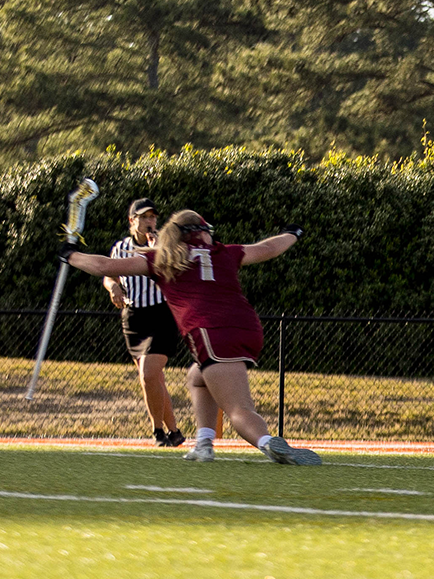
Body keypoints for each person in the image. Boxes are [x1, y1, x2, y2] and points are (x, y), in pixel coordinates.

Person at [66, 211, 320, 465]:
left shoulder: (163, 260)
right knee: (197, 377)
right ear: (198, 232)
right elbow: (268, 248)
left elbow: (104, 267)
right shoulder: (225, 252)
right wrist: (292, 233)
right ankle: (204, 444)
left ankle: (268, 443)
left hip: (212, 332)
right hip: (247, 328)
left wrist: (70, 254)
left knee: (238, 409)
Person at [103, 198, 185, 447]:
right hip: (134, 317)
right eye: (144, 217)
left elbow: (176, 272)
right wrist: (113, 286)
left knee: (149, 374)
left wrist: (157, 248)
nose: (150, 221)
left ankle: (157, 430)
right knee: (152, 378)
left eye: (153, 217)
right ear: (132, 220)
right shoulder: (121, 247)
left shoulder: (164, 245)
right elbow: (109, 274)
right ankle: (174, 432)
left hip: (162, 314)